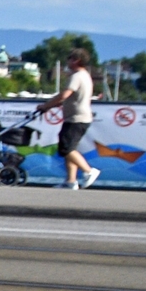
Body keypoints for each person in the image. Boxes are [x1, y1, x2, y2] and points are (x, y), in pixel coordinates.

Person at [36, 52, 101, 189]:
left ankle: (89, 171)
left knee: (66, 148)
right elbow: (74, 98)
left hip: (77, 118)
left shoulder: (76, 76)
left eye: (70, 59)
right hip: (76, 117)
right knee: (70, 149)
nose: (67, 62)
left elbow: (64, 95)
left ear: (76, 60)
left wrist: (46, 105)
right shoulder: (85, 75)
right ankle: (70, 181)